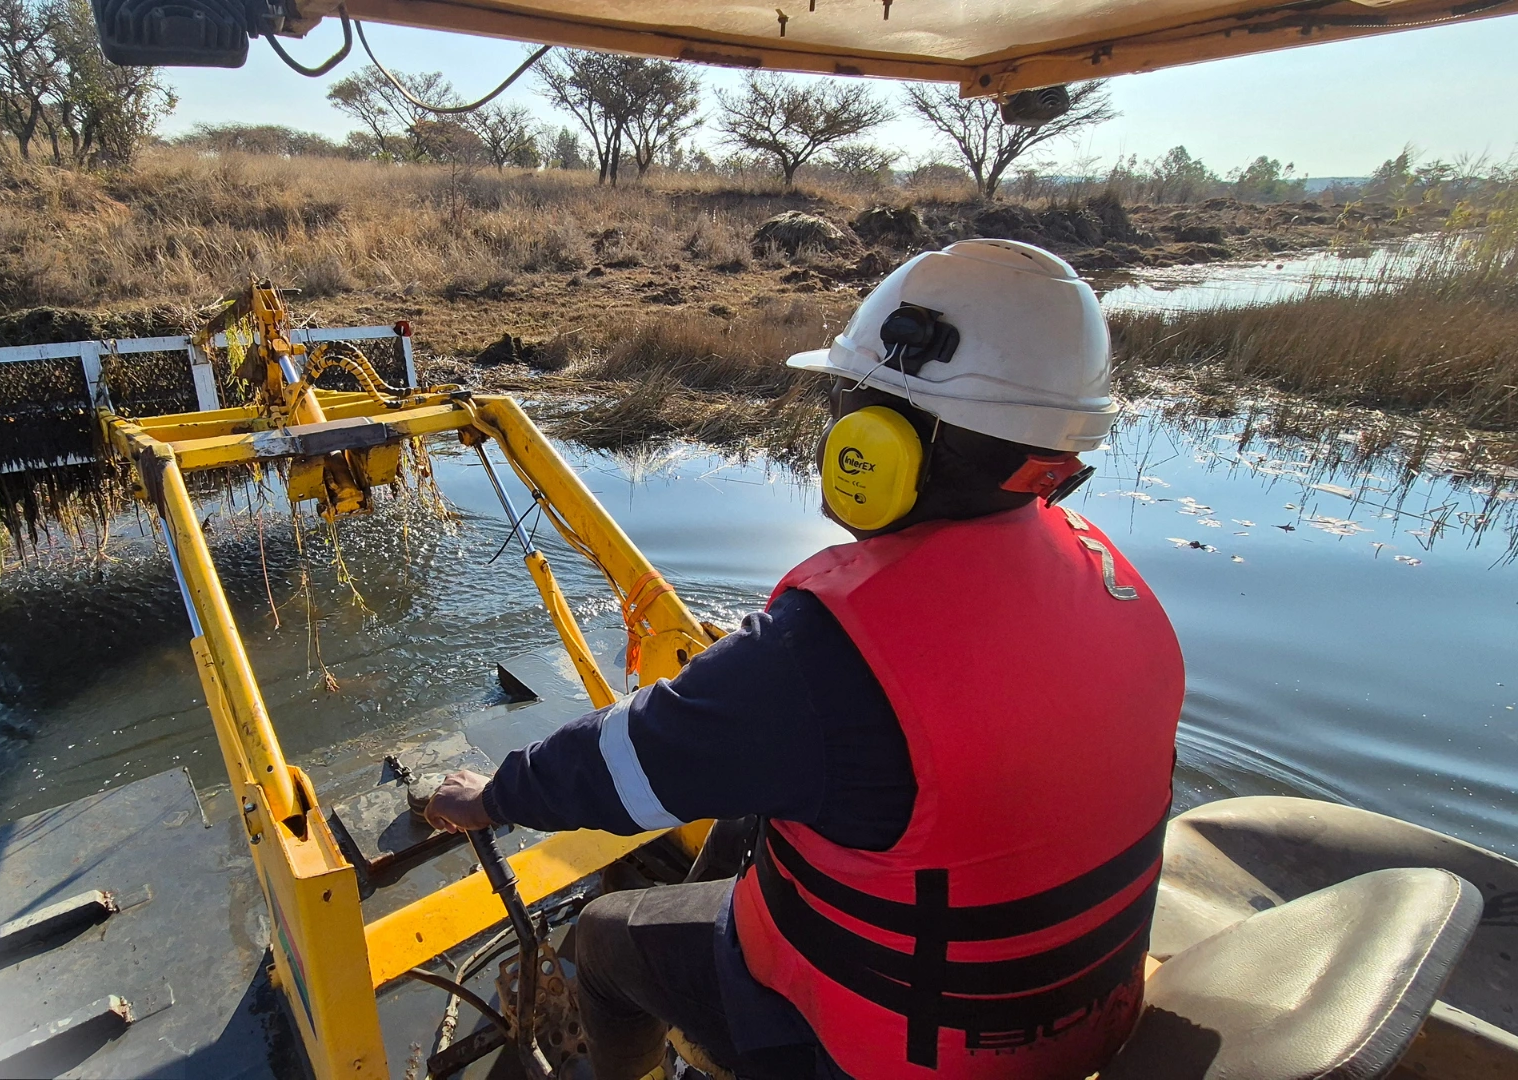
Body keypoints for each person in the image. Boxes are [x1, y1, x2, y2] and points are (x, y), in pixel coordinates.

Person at [426, 239, 1185, 1080]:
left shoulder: (828, 653)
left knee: (604, 941)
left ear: (877, 442)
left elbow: (619, 766)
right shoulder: (1114, 580)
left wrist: (494, 794)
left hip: (889, 1053)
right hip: (1081, 1019)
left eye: (843, 404)